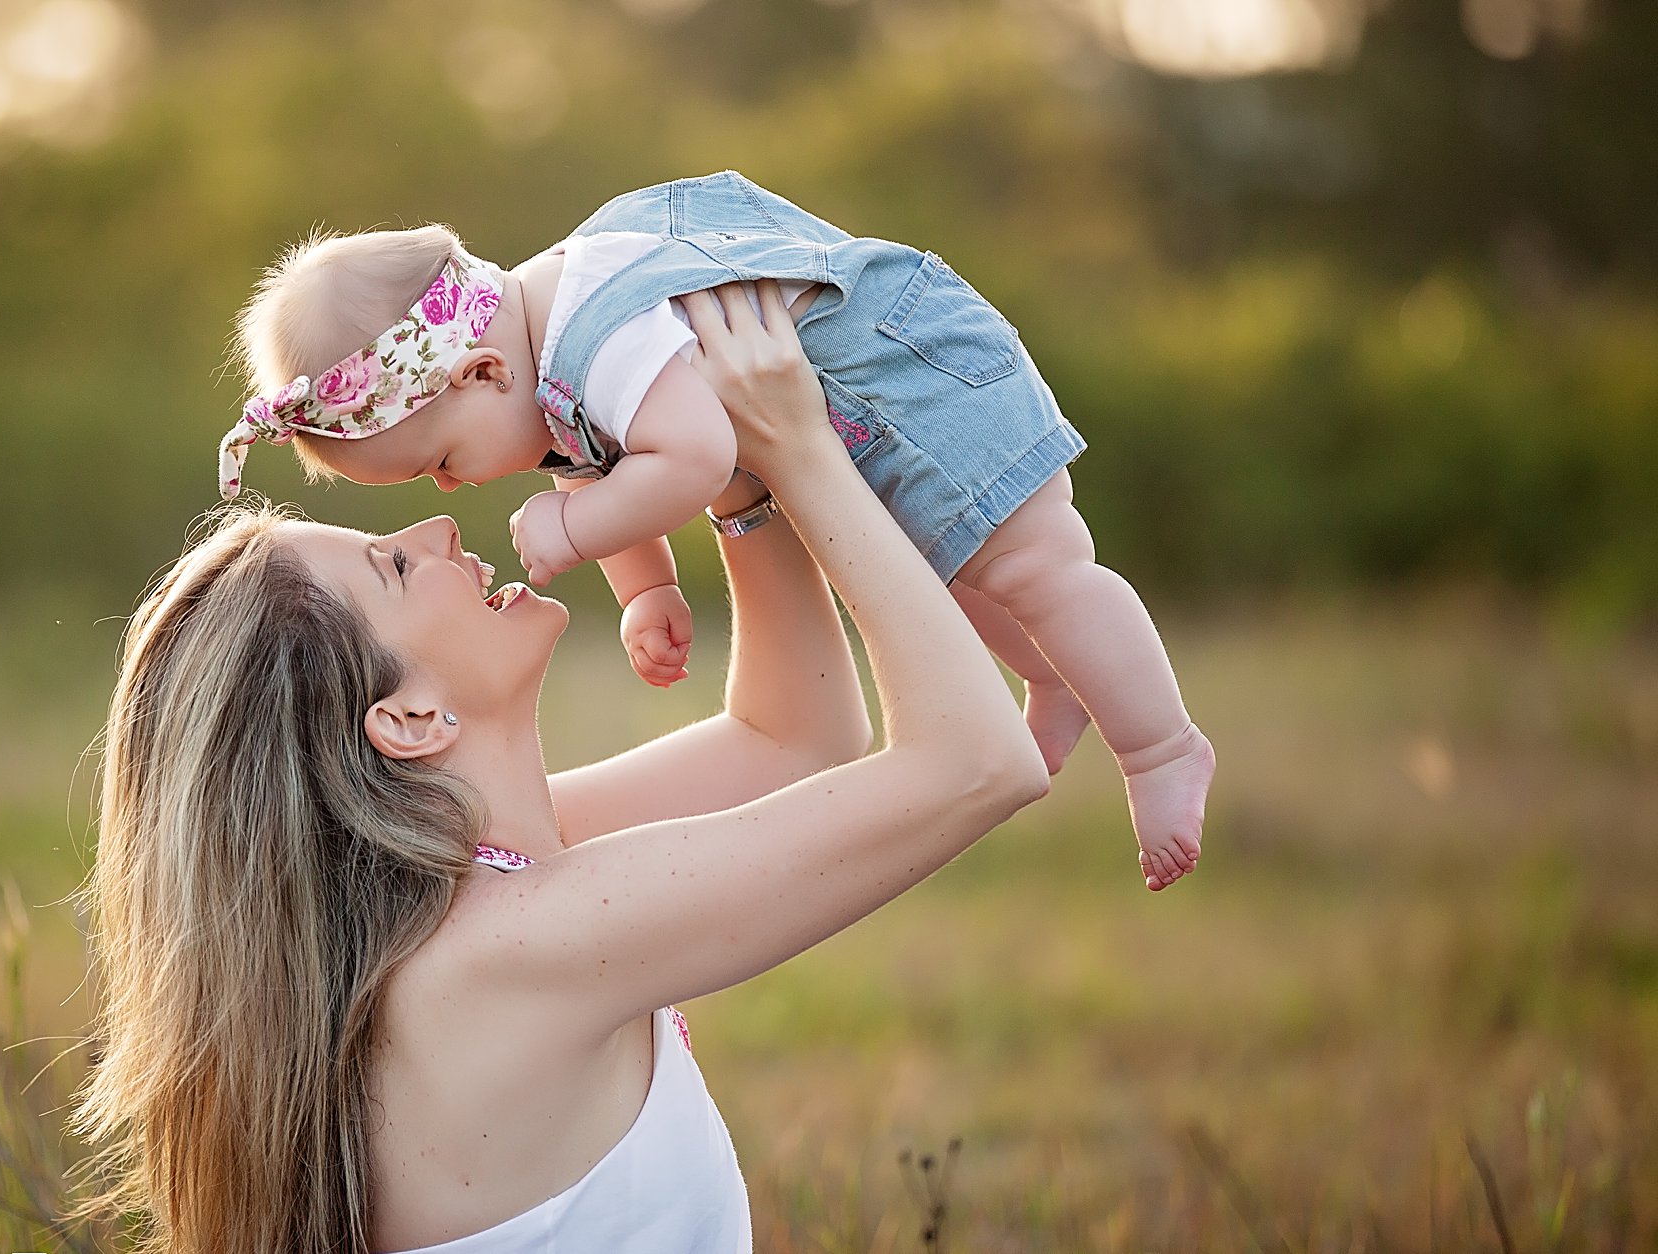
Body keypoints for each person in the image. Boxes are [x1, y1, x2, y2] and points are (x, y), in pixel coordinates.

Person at [79, 285, 1046, 1253]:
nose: (441, 532)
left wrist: (734, 479)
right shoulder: (503, 950)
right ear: (408, 718)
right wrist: (800, 447)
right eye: (397, 568)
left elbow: (792, 745)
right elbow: (975, 763)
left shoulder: (458, 886)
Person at [220, 171, 1210, 892]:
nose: (449, 492)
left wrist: (577, 524)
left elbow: (688, 458)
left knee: (1039, 565)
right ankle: (1052, 677)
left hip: (910, 374)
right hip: (851, 416)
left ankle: (1160, 748)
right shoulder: (553, 374)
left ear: (479, 372)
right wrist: (644, 586)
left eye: (441, 461)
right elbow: (610, 460)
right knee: (956, 575)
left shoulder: (592, 329)